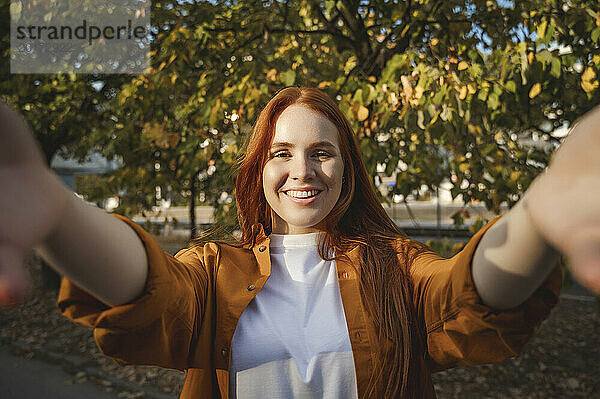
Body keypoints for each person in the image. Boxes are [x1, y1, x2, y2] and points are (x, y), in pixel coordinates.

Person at [0, 87, 597, 398]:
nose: (302, 170)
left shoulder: (395, 265)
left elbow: (468, 295)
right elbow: (152, 289)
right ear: (259, 170)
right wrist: (59, 211)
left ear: (348, 170)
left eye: (322, 152)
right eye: (282, 153)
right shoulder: (216, 271)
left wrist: (538, 214)